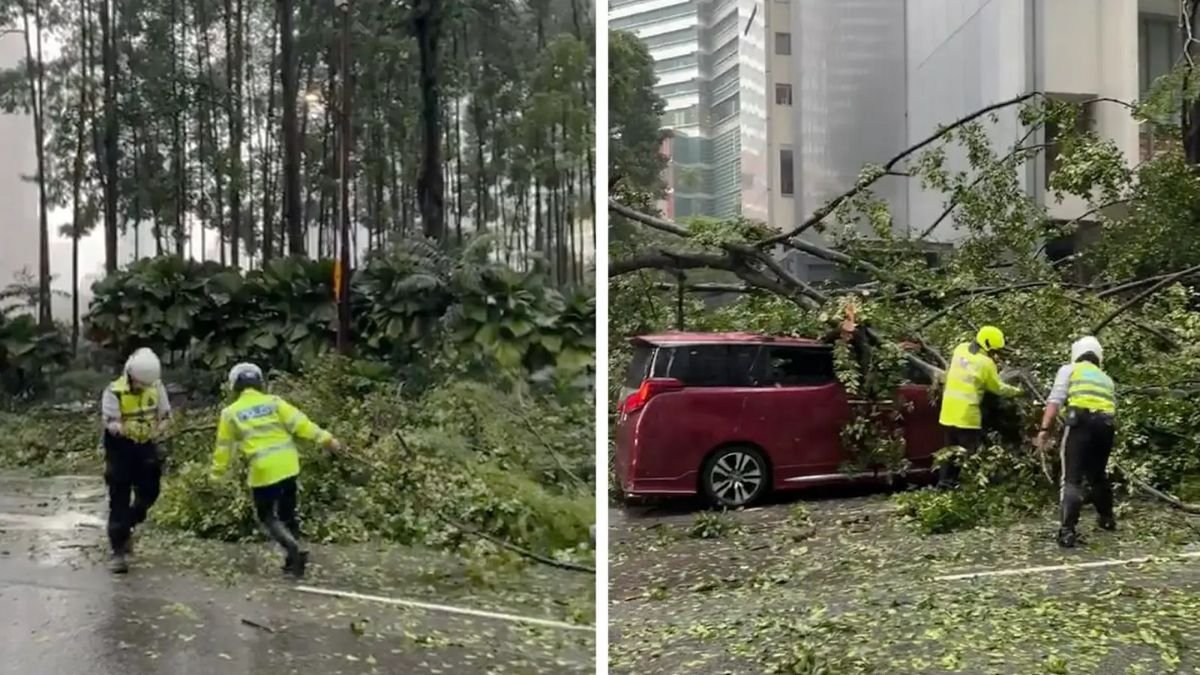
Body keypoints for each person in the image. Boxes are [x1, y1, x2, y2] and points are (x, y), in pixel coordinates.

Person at [210, 362, 342, 577]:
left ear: (234, 385)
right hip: (289, 465)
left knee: (267, 516)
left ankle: (294, 549)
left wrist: (217, 475)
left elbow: (224, 448)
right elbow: (302, 423)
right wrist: (327, 439)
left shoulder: (230, 413)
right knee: (288, 514)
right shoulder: (274, 402)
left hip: (264, 471)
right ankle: (294, 563)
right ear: (259, 383)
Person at [1036, 336, 1116, 548]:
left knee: (1071, 477)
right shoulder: (1106, 378)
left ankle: (1067, 531)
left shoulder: (1069, 369)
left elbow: (1055, 400)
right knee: (1098, 475)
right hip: (1106, 426)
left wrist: (1045, 429)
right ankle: (1107, 519)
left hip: (1080, 423)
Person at [101, 347, 171, 574]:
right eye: (140, 383)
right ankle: (118, 551)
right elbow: (110, 420)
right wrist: (119, 428)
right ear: (130, 375)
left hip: (146, 445)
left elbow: (165, 414)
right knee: (119, 497)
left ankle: (129, 524)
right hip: (121, 447)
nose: (144, 387)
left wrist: (160, 429)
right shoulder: (114, 392)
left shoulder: (156, 386)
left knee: (150, 492)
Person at [936, 325, 1024, 489]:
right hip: (967, 416)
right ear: (989, 346)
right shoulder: (986, 363)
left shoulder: (960, 349)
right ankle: (970, 487)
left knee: (949, 453)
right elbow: (997, 388)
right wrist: (1018, 392)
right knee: (970, 455)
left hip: (948, 412)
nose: (995, 354)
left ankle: (945, 484)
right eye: (995, 351)